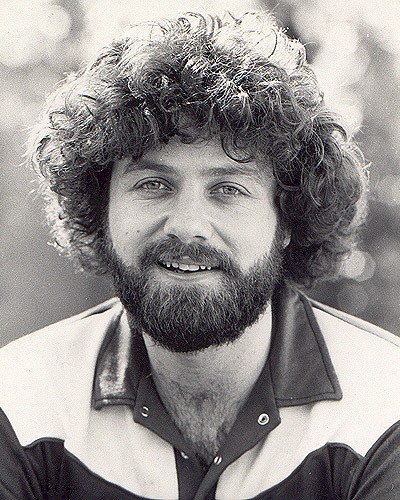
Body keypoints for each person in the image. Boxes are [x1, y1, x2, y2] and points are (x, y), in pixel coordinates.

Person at [0, 11, 399, 500]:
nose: (187, 224)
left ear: (288, 220)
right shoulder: (20, 402)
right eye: (153, 184)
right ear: (101, 210)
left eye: (228, 189)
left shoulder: (384, 406)